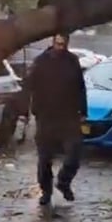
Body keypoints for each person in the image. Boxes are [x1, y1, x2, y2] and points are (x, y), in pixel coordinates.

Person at [22, 33, 87, 205]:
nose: (60, 47)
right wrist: (27, 110)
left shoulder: (72, 61)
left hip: (69, 115)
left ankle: (64, 182)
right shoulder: (41, 62)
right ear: (52, 43)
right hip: (46, 117)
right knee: (45, 159)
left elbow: (81, 87)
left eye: (63, 44)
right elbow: (29, 86)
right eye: (57, 44)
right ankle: (46, 191)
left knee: (74, 153)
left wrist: (83, 111)